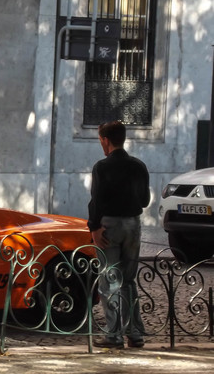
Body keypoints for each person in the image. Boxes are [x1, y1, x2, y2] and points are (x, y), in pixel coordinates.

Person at [88, 120, 150, 349]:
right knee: (129, 280)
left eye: (100, 140)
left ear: (105, 140)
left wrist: (94, 227)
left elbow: (96, 200)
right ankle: (135, 333)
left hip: (110, 226)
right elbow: (145, 200)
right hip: (133, 224)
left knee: (109, 280)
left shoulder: (101, 167)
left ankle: (113, 335)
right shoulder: (139, 166)